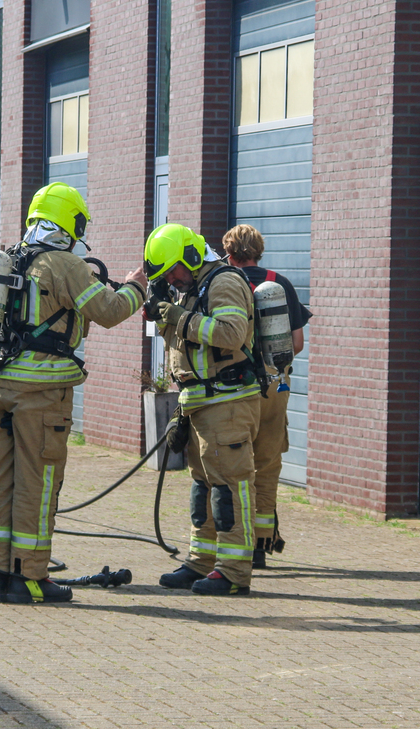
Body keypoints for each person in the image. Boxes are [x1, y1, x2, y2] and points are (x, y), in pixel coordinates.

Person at [0, 182, 148, 604]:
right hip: (40, 394)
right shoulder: (65, 263)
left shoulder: (10, 257)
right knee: (38, 481)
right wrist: (136, 287)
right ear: (69, 221)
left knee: (3, 479)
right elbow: (108, 312)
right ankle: (31, 577)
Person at [146, 223, 261, 596]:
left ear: (192, 257)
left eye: (174, 271)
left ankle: (233, 572)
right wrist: (164, 317)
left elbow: (231, 334)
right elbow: (186, 345)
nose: (173, 280)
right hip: (199, 402)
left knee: (230, 487)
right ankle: (201, 560)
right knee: (203, 488)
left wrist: (181, 318)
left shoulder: (223, 282)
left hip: (227, 402)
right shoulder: (192, 287)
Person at [222, 224, 312, 568]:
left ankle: (230, 542)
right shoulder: (279, 282)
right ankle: (260, 546)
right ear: (260, 250)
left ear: (228, 252)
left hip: (233, 384)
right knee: (267, 462)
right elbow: (297, 343)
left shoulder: (222, 283)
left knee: (230, 462)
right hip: (275, 383)